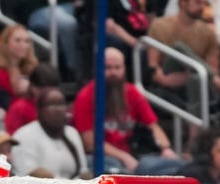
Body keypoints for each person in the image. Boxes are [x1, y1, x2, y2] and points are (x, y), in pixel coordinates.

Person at [71, 46, 183, 174]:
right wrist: (124, 157)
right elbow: (90, 143)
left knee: (175, 165)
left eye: (117, 67)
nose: (113, 72)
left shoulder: (132, 92)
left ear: (124, 68)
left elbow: (153, 126)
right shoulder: (85, 96)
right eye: (107, 68)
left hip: (134, 155)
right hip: (101, 158)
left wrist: (165, 148)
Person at [11, 88, 90, 178]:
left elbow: (83, 172)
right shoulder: (24, 136)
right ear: (39, 109)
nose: (58, 109)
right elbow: (26, 175)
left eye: (61, 104)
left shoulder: (72, 133)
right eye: (51, 104)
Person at [0, 23, 38, 110]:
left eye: (27, 41)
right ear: (6, 44)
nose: (23, 45)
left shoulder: (32, 69)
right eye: (18, 40)